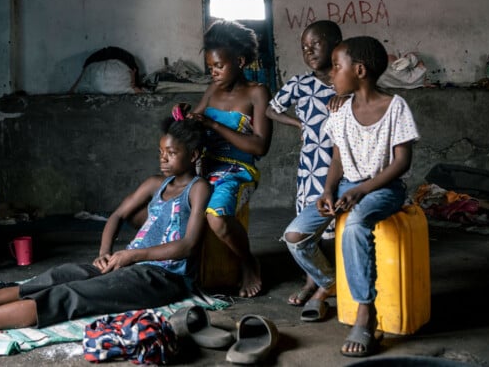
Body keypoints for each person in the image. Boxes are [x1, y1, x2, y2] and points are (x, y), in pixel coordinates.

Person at [0, 117, 212, 336]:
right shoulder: (154, 184)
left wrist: (132, 256)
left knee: (74, 295)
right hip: (126, 264)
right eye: (161, 152)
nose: (163, 159)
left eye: (171, 153)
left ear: (194, 155)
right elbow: (116, 217)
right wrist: (105, 251)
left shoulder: (198, 189)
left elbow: (188, 246)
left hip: (163, 276)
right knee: (63, 274)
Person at [283, 36, 419, 358]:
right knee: (295, 236)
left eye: (336, 67)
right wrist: (329, 191)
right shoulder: (341, 111)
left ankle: (365, 311)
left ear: (359, 70)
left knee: (356, 223)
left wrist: (362, 190)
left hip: (384, 188)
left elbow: (402, 162)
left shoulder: (395, 107)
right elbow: (338, 159)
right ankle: (327, 280)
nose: (331, 73)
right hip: (346, 187)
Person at [178, 19, 272, 298]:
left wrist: (215, 125)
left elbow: (260, 146)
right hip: (205, 169)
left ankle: (248, 263)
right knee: (159, 208)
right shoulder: (212, 90)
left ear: (240, 60)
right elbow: (195, 127)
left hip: (238, 170)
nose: (214, 73)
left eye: (219, 66)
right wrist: (185, 116)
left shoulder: (257, 92)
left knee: (216, 217)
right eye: (211, 68)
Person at [266, 20, 343, 307]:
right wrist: (297, 123)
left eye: (316, 44)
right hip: (311, 165)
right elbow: (270, 110)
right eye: (304, 47)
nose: (309, 51)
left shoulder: (346, 81)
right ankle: (313, 280)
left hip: (342, 164)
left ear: (336, 44)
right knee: (309, 228)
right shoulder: (299, 84)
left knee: (339, 224)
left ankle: (337, 278)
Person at [68, 46, 144, 94]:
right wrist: (135, 87)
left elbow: (73, 90)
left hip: (93, 63)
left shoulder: (92, 63)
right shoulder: (125, 59)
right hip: (121, 63)